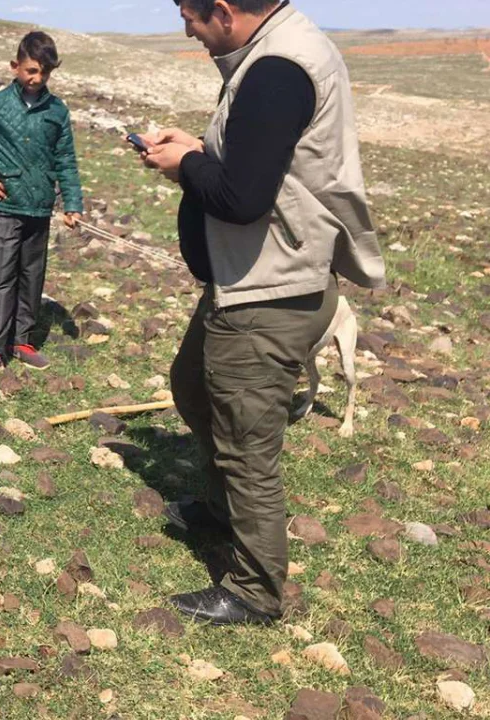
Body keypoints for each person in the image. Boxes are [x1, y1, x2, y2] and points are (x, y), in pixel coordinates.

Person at [137, 0, 385, 625]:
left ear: (221, 11)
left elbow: (242, 198)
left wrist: (184, 164)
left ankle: (254, 589)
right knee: (194, 387)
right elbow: (264, 160)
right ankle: (222, 510)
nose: (184, 28)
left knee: (247, 441)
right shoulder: (273, 52)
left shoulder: (277, 69)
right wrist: (199, 147)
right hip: (247, 279)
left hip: (268, 292)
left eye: (188, 15)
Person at [0, 31, 84, 381]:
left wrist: (72, 203)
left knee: (32, 275)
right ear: (15, 66)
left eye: (45, 73)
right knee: (1, 276)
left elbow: (66, 158)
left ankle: (22, 342)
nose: (37, 79)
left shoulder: (57, 111)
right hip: (6, 207)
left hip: (40, 208)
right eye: (32, 71)